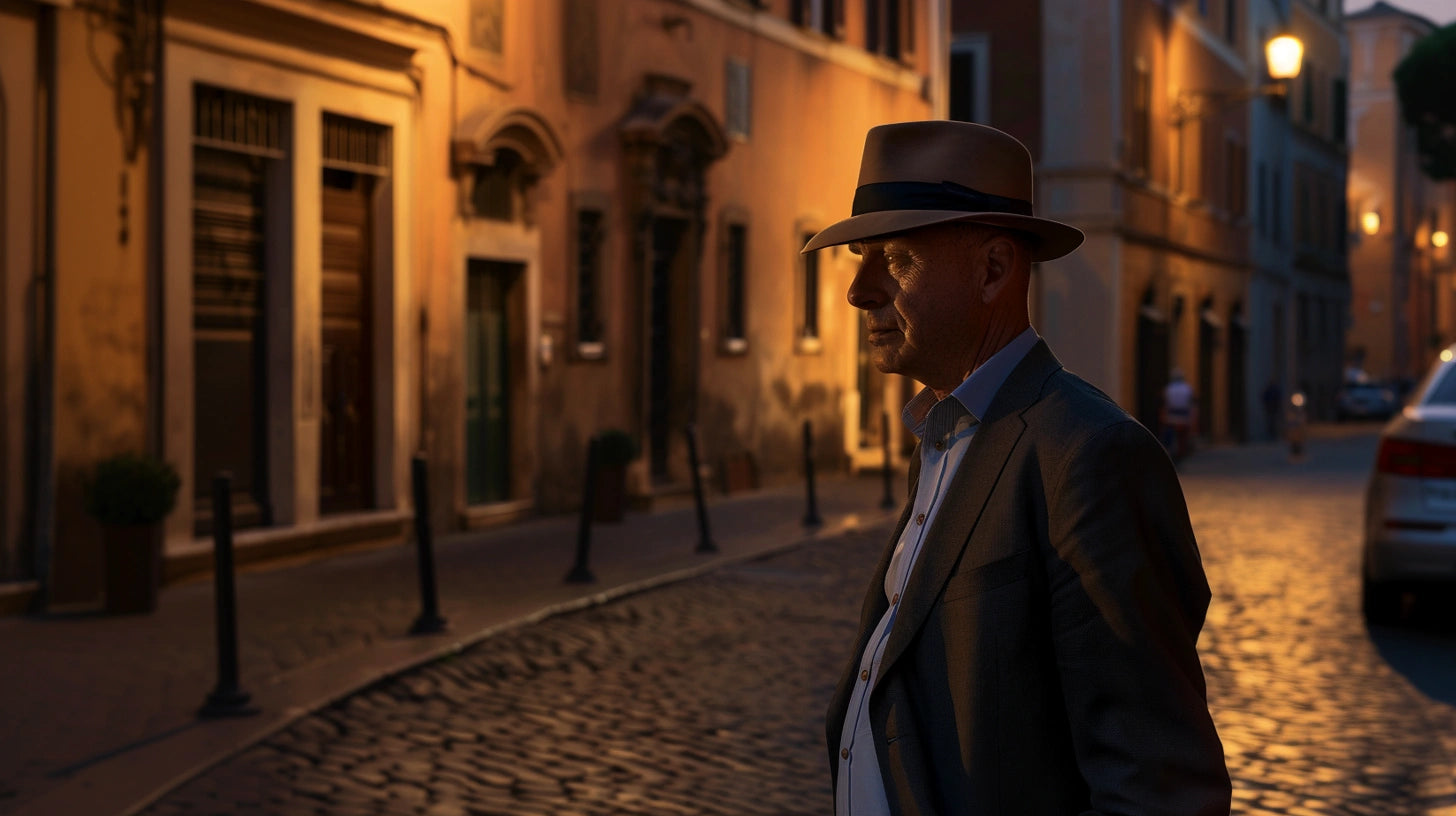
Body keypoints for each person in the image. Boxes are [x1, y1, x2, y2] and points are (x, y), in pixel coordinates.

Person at [804, 121, 1229, 815]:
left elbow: (1159, 785)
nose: (859, 290)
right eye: (860, 257)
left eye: (894, 259)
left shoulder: (1089, 455)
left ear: (995, 270)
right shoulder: (944, 436)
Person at [1161, 367, 1197, 460]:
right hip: (1184, 415)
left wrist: (1163, 416)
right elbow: (1191, 404)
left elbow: (1165, 404)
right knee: (1183, 437)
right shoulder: (1187, 388)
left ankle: (1171, 451)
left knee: (1170, 435)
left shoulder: (1169, 388)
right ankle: (1181, 453)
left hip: (1171, 415)